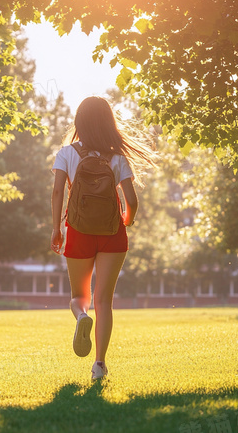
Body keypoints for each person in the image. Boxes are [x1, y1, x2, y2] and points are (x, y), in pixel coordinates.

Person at [51, 96, 156, 380]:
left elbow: (58, 193)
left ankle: (81, 317)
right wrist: (127, 221)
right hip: (112, 235)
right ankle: (99, 365)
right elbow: (131, 201)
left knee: (79, 296)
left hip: (78, 232)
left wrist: (56, 229)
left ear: (79, 121)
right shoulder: (117, 157)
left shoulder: (66, 153)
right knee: (104, 301)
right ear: (108, 122)